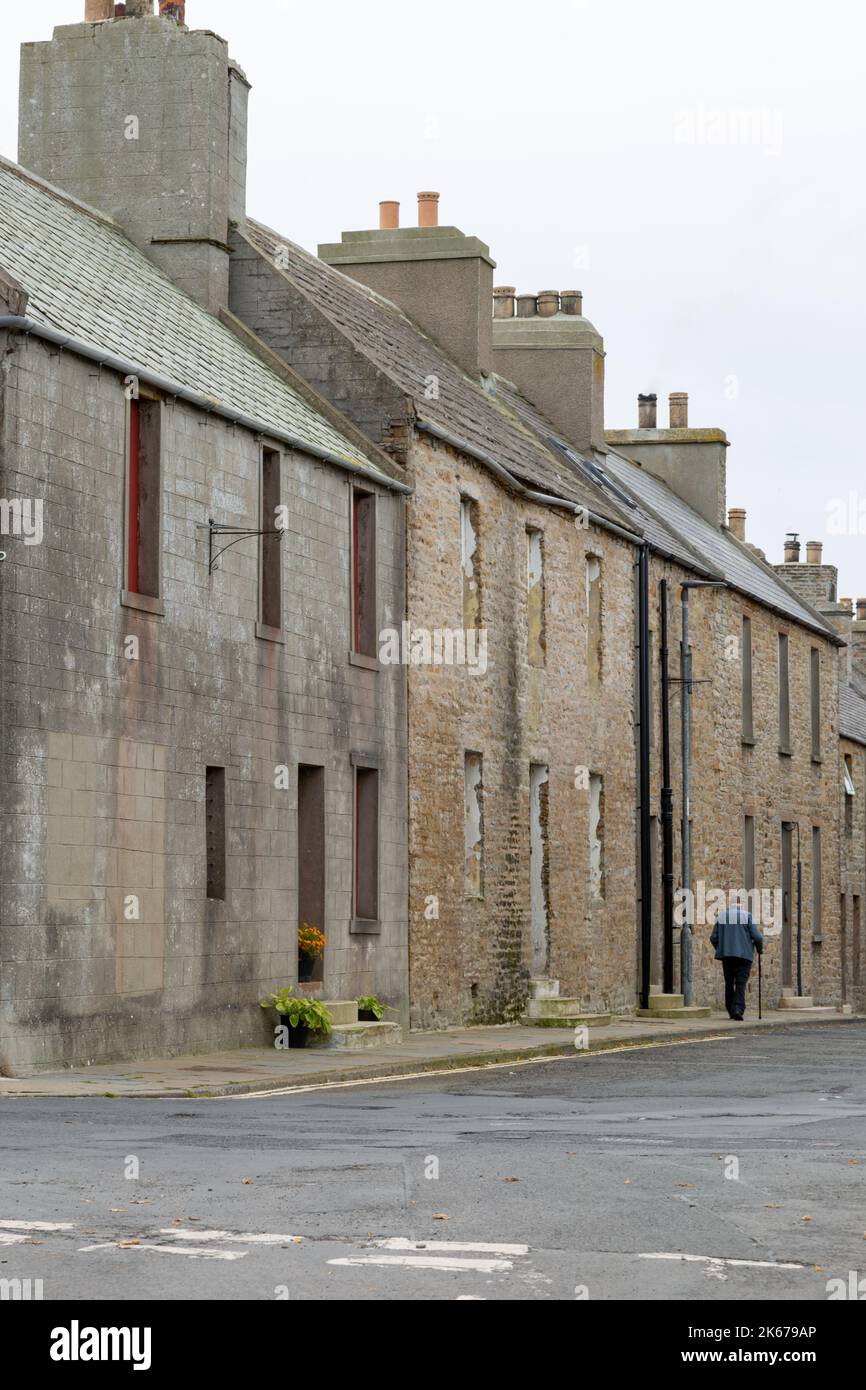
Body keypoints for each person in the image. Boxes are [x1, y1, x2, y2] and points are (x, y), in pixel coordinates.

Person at [711, 903, 764, 1020]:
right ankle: (738, 1009)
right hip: (744, 956)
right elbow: (758, 937)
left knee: (729, 983)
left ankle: (730, 1009)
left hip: (727, 956)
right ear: (741, 907)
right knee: (740, 983)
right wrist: (759, 949)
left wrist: (721, 948)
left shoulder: (722, 916)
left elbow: (713, 937)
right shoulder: (747, 915)